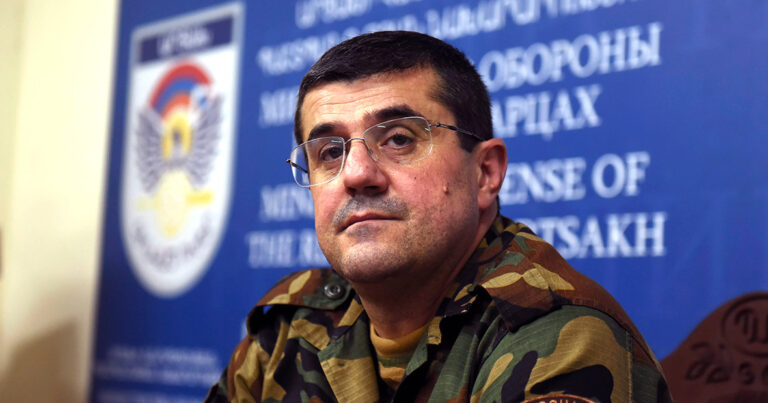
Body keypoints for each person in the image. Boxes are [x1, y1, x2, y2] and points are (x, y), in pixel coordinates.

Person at [206, 31, 672, 402]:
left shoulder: (559, 332)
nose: (357, 174)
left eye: (399, 139)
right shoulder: (290, 329)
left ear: (485, 172)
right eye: (330, 152)